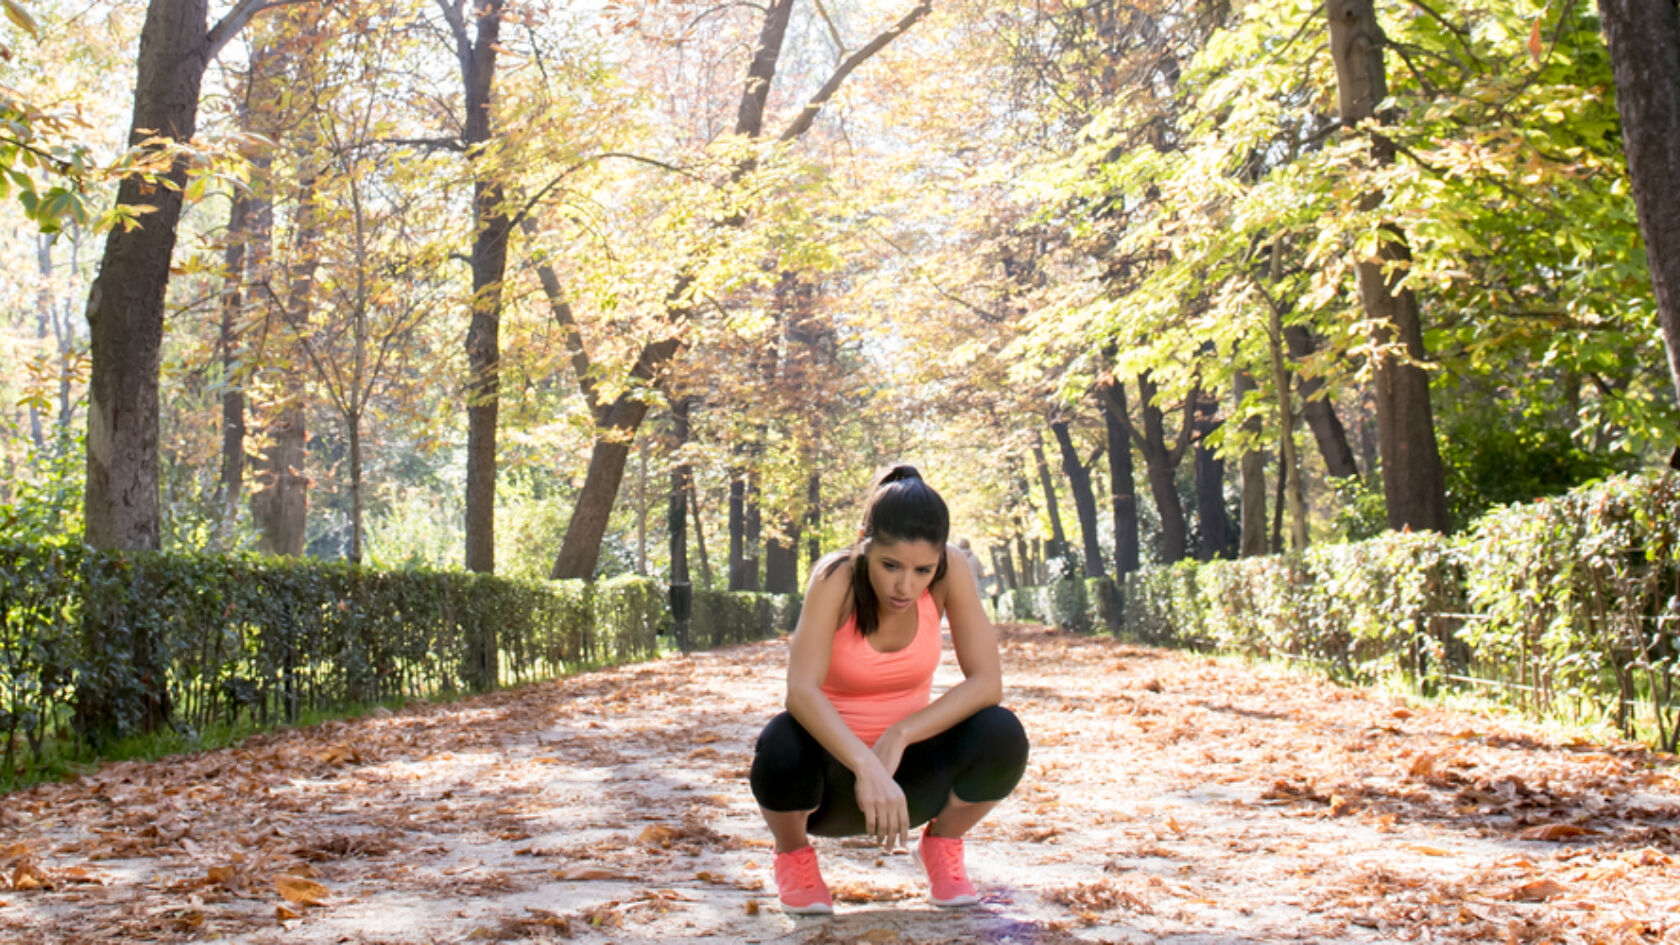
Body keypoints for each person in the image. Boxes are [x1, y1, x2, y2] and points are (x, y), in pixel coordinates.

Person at [749, 464, 1029, 914]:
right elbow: (800, 691)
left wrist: (898, 736)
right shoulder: (835, 576)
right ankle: (794, 857)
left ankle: (942, 845)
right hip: (832, 785)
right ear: (864, 541)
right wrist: (865, 763)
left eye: (923, 570)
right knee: (780, 741)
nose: (906, 586)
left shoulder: (951, 568)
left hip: (908, 784)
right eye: (890, 565)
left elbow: (986, 683)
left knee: (1002, 732)